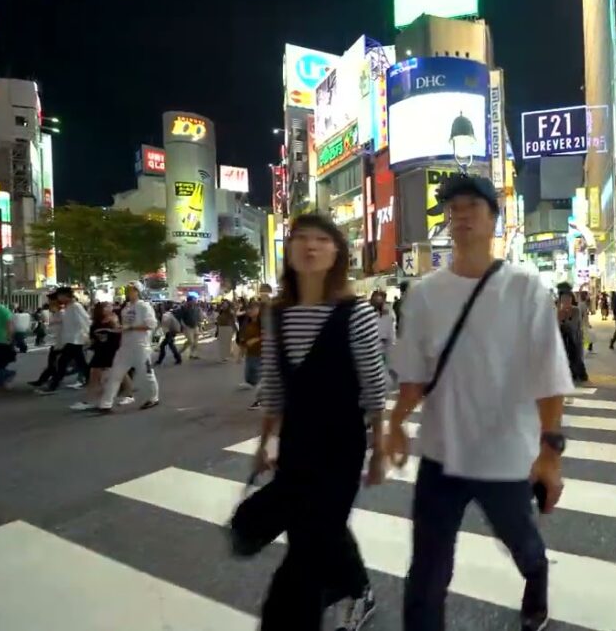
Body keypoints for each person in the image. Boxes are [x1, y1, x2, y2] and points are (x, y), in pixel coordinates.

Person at [385, 174, 572, 631]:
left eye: (473, 205)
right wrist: (394, 423)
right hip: (440, 455)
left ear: (494, 219)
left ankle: (537, 575)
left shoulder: (525, 288)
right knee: (427, 572)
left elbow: (549, 375)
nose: (462, 215)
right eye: (454, 208)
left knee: (522, 544)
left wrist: (550, 453)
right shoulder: (424, 294)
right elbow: (415, 377)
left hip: (504, 456)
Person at [250, 213, 387, 630]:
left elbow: (374, 387)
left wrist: (380, 448)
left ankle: (291, 616)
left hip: (341, 445)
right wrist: (265, 441)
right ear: (289, 251)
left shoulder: (355, 313)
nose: (310, 247)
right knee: (311, 532)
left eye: (322, 240)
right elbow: (275, 384)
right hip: (296, 444)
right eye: (301, 239)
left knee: (310, 546)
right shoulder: (276, 314)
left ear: (337, 253)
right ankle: (357, 588)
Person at [97, 282, 159, 412]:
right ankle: (106, 404)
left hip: (140, 346)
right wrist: (119, 329)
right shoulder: (126, 308)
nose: (128, 292)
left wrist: (130, 328)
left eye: (131, 290)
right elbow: (125, 327)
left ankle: (153, 398)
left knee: (147, 374)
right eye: (127, 290)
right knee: (115, 374)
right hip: (125, 347)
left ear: (138, 291)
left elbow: (151, 324)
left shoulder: (144, 306)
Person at [72, 302, 133, 411]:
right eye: (106, 307)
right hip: (100, 351)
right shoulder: (96, 323)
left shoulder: (114, 319)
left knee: (121, 373)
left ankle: (129, 395)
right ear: (100, 310)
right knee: (94, 375)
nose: (110, 308)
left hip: (112, 351)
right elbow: (92, 337)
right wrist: (89, 344)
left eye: (110, 306)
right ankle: (89, 400)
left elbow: (119, 334)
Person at [38, 288, 91, 394]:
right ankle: (91, 379)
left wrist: (86, 335)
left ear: (65, 296)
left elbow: (85, 321)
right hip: (71, 339)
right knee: (80, 363)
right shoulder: (68, 307)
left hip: (76, 339)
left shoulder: (76, 306)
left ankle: (54, 385)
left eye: (59, 296)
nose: (58, 298)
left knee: (63, 362)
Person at [557, 290, 589, 382]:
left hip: (575, 337)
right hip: (563, 338)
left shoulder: (576, 310)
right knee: (566, 357)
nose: (566, 301)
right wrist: (560, 316)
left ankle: (581, 373)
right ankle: (571, 373)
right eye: (563, 299)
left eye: (568, 298)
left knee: (577, 356)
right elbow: (557, 325)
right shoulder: (558, 311)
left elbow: (573, 325)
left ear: (572, 299)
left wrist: (563, 319)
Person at [236, 300, 263, 398]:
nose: (250, 311)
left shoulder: (262, 322)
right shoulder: (247, 323)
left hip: (261, 351)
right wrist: (240, 354)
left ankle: (259, 384)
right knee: (249, 368)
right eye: (249, 309)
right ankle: (250, 382)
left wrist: (255, 339)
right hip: (250, 351)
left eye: (253, 309)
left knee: (257, 368)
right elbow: (243, 339)